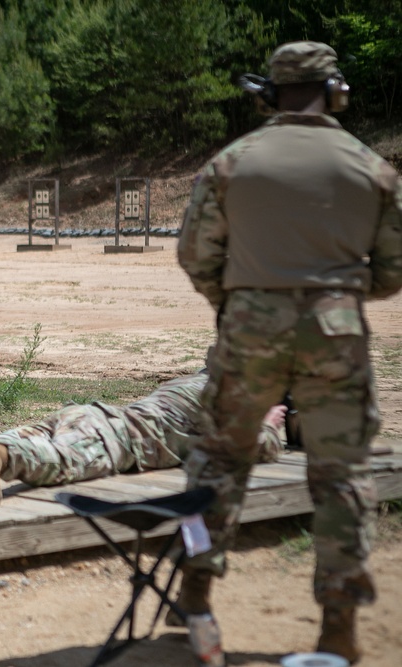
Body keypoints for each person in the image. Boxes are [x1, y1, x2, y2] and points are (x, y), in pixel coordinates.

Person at [176, 41, 402, 664]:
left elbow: (196, 254)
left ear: (270, 96)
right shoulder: (370, 166)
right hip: (336, 332)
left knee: (218, 463)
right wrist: (332, 292)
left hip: (249, 328)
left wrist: (244, 296)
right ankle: (338, 628)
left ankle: (194, 593)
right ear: (336, 93)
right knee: (343, 476)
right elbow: (392, 270)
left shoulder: (232, 162)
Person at [0, 373, 287, 506]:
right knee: (54, 461)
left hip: (87, 413)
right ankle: (1, 456)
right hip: (120, 437)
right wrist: (274, 420)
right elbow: (259, 446)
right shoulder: (243, 394)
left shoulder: (204, 378)